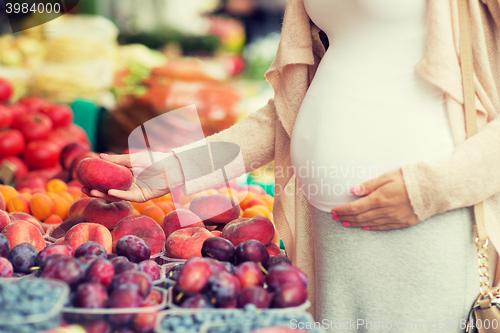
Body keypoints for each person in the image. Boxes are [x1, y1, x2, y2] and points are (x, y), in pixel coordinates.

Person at [85, 0, 500, 331]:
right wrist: (175, 168)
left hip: (423, 219)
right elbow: (286, 112)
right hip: (324, 224)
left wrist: (431, 189)